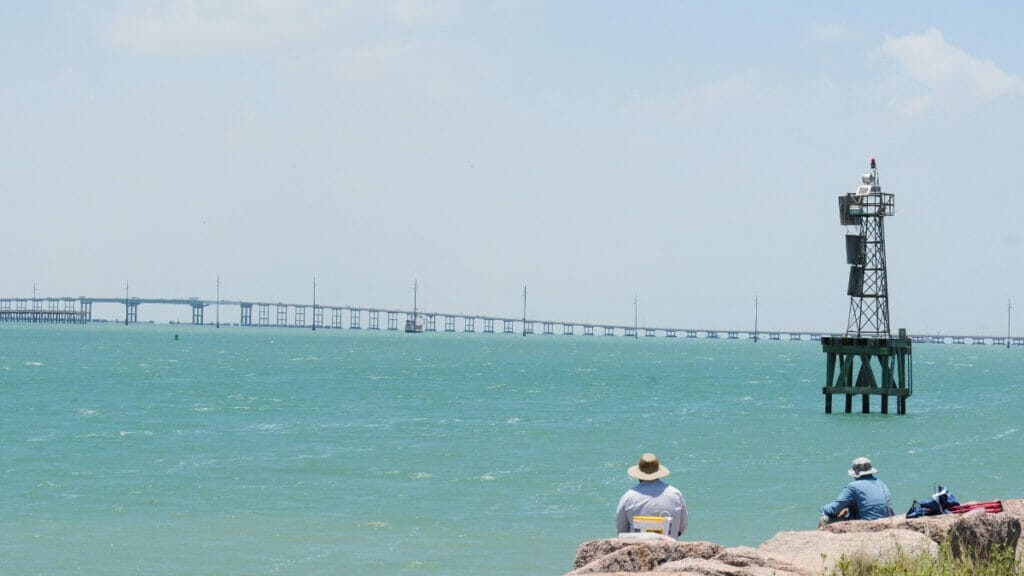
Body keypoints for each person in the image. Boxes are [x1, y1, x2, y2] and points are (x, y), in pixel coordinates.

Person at [615, 453, 688, 537]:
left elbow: (621, 531)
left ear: (639, 474)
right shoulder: (675, 494)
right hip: (668, 545)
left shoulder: (628, 496)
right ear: (658, 472)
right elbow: (682, 527)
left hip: (637, 546)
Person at [820, 456, 893, 526]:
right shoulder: (881, 483)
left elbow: (833, 509)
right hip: (885, 520)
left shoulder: (853, 487)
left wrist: (823, 508)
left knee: (824, 519)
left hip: (867, 523)